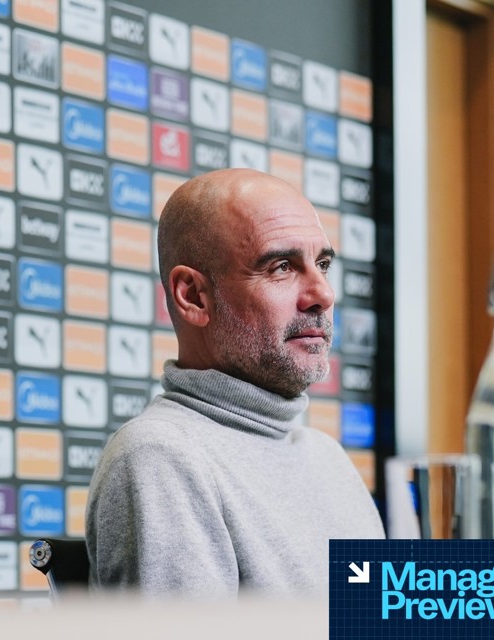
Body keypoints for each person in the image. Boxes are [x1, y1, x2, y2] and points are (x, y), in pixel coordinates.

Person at [85, 168, 384, 598]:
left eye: (321, 264)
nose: (323, 294)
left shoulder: (328, 458)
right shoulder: (160, 457)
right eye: (281, 267)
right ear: (193, 296)